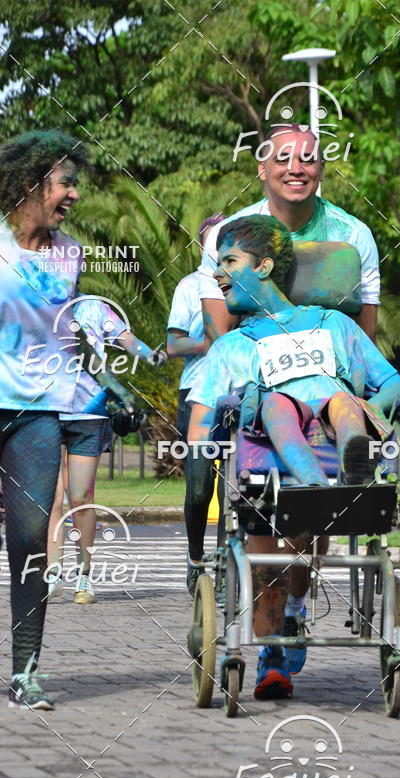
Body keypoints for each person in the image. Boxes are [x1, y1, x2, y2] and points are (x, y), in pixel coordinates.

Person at [187, 215, 400, 701]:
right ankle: (274, 648)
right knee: (269, 538)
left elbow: (393, 384)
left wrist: (380, 407)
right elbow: (200, 429)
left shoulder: (336, 325)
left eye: (229, 262)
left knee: (346, 404)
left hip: (337, 440)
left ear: (264, 266)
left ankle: (337, 482)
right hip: (269, 464)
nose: (219, 274)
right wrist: (200, 479)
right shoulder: (229, 348)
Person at [0, 130, 133, 710]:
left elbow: (67, 333)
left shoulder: (69, 254)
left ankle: (25, 672)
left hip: (37, 410)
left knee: (31, 538)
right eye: (66, 183)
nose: (74, 194)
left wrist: (108, 383)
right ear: (31, 185)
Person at [199, 124, 380, 343]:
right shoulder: (227, 239)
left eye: (307, 159)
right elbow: (217, 340)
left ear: (321, 170)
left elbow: (364, 340)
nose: (295, 169)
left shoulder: (353, 236)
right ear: (262, 170)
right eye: (282, 159)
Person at [47, 298, 166, 603]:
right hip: (45, 411)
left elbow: (125, 337)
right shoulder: (35, 304)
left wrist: (149, 354)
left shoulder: (94, 308)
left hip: (89, 413)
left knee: (80, 498)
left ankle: (84, 576)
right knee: (51, 497)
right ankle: (53, 573)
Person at [167, 214, 224, 595]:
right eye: (213, 241)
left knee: (237, 488)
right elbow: (173, 344)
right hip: (197, 392)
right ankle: (195, 556)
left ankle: (226, 565)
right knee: (201, 487)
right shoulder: (190, 286)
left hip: (239, 394)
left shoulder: (249, 284)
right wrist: (211, 342)